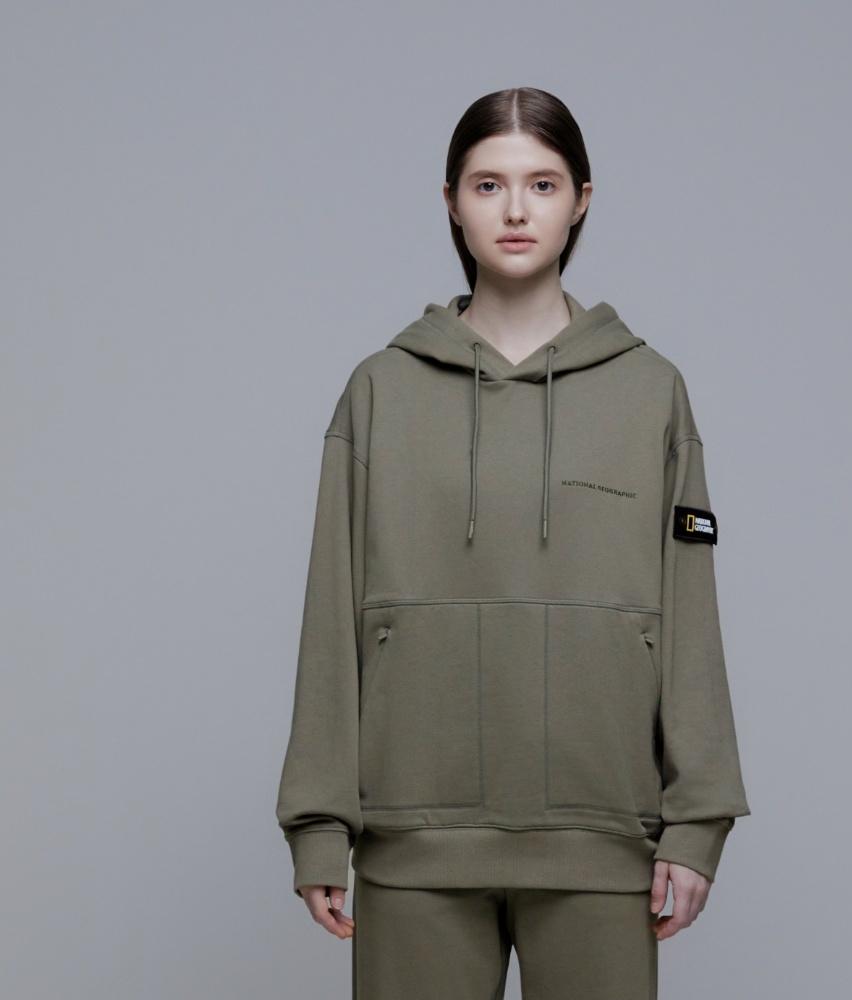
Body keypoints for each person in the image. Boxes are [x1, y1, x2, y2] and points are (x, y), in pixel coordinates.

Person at [275, 86, 751, 999]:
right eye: (489, 185)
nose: (517, 210)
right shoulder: (379, 390)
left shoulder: (651, 391)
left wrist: (697, 822)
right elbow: (329, 612)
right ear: (451, 202)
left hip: (601, 840)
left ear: (582, 200)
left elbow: (690, 615)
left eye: (543, 183)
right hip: (412, 840)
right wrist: (318, 823)